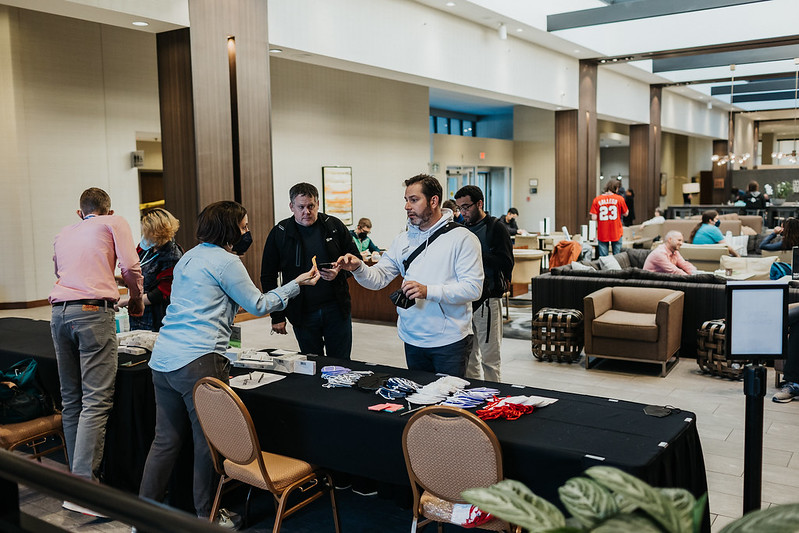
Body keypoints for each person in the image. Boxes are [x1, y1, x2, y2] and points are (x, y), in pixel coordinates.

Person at [139, 201, 320, 523]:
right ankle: (207, 517)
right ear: (230, 228)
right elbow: (259, 304)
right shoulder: (226, 262)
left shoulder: (188, 257)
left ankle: (141, 514)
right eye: (245, 226)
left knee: (164, 442)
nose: (248, 231)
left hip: (164, 359)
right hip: (198, 361)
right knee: (207, 444)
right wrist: (297, 284)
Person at [49, 187, 144, 513]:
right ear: (108, 209)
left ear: (80, 212)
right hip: (91, 313)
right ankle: (86, 491)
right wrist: (134, 297)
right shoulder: (113, 222)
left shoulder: (64, 232)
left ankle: (75, 485)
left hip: (59, 314)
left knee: (72, 399)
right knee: (95, 399)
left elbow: (59, 271)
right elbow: (131, 268)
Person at [337, 174, 483, 377]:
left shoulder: (463, 238)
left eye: (414, 200)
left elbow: (473, 288)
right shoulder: (402, 240)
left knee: (446, 404)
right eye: (406, 200)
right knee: (419, 400)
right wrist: (358, 267)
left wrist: (427, 291)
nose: (407, 206)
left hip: (449, 341)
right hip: (412, 338)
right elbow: (378, 278)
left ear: (434, 201)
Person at [260, 183, 360, 359]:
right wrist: (276, 315)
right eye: (301, 207)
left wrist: (340, 272)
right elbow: (268, 276)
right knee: (311, 363)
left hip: (336, 309)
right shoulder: (280, 232)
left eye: (311, 206)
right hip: (302, 312)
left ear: (318, 204)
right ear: (291, 207)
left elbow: (355, 263)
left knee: (342, 363)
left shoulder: (334, 226)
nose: (306, 211)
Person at [454, 185, 514, 382]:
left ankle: (494, 398)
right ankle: (474, 397)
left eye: (466, 207)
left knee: (490, 358)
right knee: (469, 357)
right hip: (465, 300)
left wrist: (477, 254)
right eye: (460, 208)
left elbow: (506, 262)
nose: (463, 212)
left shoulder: (496, 227)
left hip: (488, 300)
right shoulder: (461, 229)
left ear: (479, 204)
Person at [116, 208, 182, 331]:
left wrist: (126, 302)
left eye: (146, 232)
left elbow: (161, 293)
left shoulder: (172, 256)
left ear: (156, 232)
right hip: (138, 315)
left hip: (156, 318)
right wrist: (115, 278)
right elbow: (136, 276)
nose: (144, 236)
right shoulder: (145, 249)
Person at [590, 179, 629, 256]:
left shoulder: (597, 199)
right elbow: (626, 213)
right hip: (616, 231)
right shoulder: (620, 199)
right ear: (616, 188)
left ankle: (605, 268)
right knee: (617, 257)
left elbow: (593, 218)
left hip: (602, 232)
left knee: (604, 258)